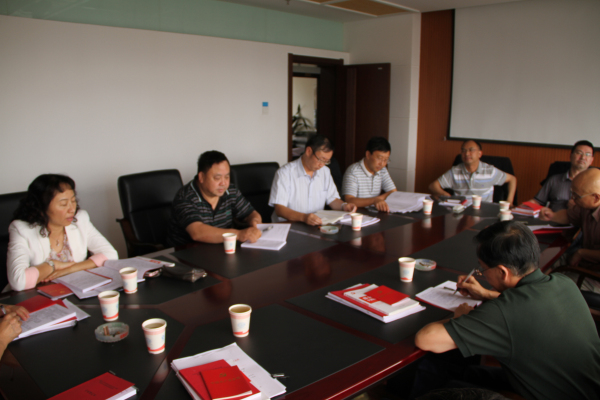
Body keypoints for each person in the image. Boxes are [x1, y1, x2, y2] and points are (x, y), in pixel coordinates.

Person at [413, 220, 600, 400]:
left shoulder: (504, 312)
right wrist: (485, 294)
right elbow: (527, 306)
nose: (482, 273)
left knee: (440, 378)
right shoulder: (564, 282)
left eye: (483, 269)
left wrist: (460, 317)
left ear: (502, 272)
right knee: (470, 372)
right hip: (583, 387)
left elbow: (426, 339)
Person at [7, 174, 118, 292]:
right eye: (63, 204)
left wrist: (70, 269)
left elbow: (110, 254)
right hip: (35, 295)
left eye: (73, 201)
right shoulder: (21, 230)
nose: (72, 209)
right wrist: (53, 265)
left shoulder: (80, 220)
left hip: (75, 290)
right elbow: (19, 282)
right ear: (41, 208)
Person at [167, 150, 262, 246]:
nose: (223, 183)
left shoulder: (230, 191)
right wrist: (238, 234)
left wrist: (255, 222)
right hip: (187, 251)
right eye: (217, 178)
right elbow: (197, 232)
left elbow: (251, 213)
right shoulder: (185, 197)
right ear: (201, 177)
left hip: (221, 249)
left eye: (227, 177)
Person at [269, 135, 357, 225]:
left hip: (314, 225)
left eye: (326, 161)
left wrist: (344, 206)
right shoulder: (285, 173)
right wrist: (304, 217)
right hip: (288, 226)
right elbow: (279, 209)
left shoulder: (325, 172)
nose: (322, 165)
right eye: (321, 159)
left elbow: (332, 199)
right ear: (308, 151)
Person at [540, 168, 600, 292]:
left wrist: (581, 253)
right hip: (584, 263)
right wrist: (552, 216)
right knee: (539, 263)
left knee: (551, 287)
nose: (572, 199)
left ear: (596, 198)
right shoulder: (586, 205)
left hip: (596, 275)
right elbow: (569, 215)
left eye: (577, 196)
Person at [428, 140, 516, 204]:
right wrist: (446, 195)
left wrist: (509, 201)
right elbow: (433, 186)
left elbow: (512, 179)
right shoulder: (455, 171)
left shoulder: (489, 171)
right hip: (461, 212)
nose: (467, 154)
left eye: (471, 150)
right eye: (463, 150)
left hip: (484, 212)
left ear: (479, 154)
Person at [527, 140, 595, 211]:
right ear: (571, 156)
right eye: (579, 153)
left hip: (581, 218)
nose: (583, 157)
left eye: (588, 154)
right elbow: (537, 202)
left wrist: (579, 205)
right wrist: (524, 207)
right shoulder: (554, 180)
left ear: (591, 160)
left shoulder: (596, 184)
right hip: (552, 217)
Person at [341, 136, 397, 212]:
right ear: (368, 154)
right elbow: (349, 200)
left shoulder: (382, 170)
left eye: (386, 160)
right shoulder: (353, 171)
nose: (382, 164)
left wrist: (377, 200)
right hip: (357, 213)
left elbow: (393, 192)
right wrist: (375, 200)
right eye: (379, 158)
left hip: (374, 213)